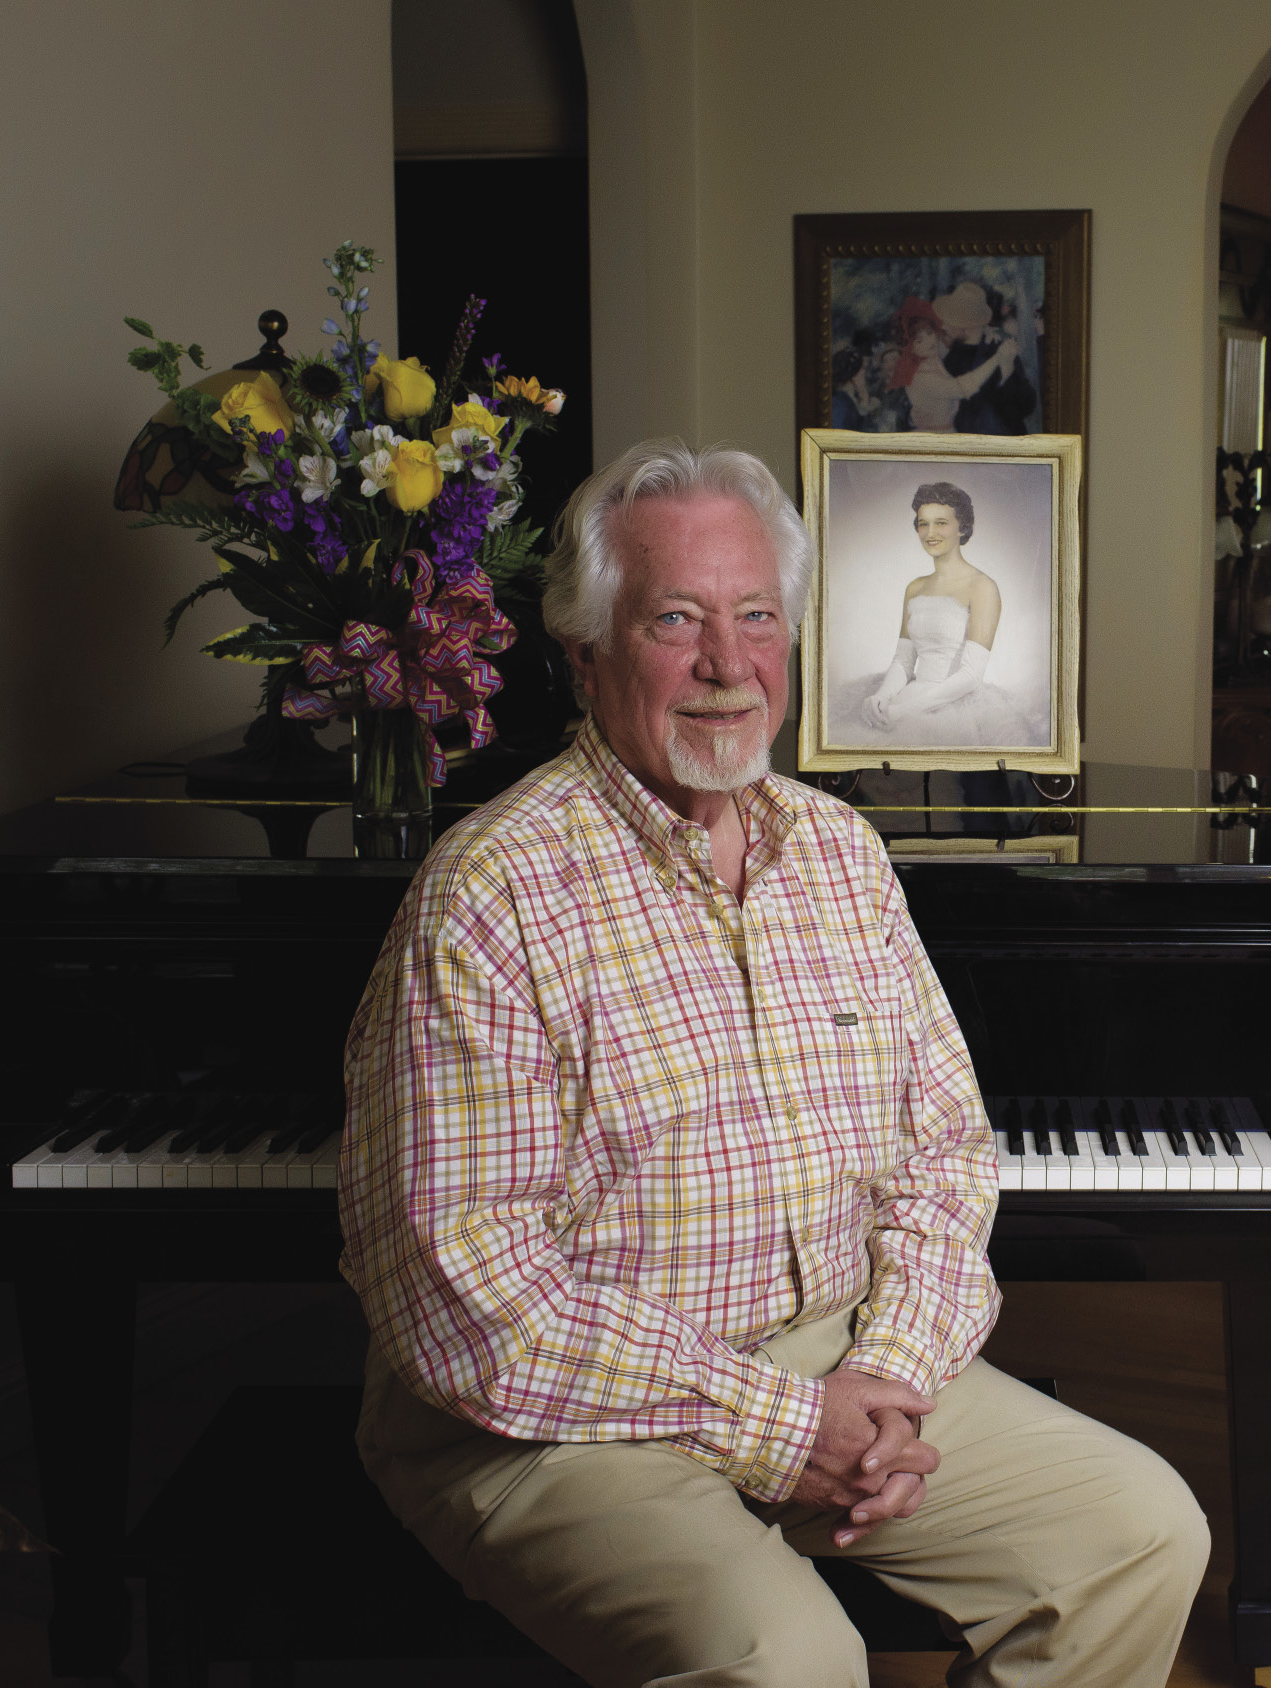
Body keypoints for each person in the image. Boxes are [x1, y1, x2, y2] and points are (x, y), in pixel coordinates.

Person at [340, 439, 1207, 1688]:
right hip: (552, 1418)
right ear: (582, 654)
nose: (724, 664)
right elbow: (468, 1291)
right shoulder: (490, 891)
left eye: (755, 616)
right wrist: (788, 1429)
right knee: (784, 1659)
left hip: (835, 1356)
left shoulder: (838, 851)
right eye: (673, 620)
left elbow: (943, 1156)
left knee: (1139, 1532)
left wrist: (887, 1380)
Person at [849, 480, 1043, 747]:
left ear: (961, 526)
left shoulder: (982, 587)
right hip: (909, 695)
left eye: (941, 522)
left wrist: (905, 712)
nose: (930, 532)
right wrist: (881, 698)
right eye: (922, 523)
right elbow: (904, 661)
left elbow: (972, 674)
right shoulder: (914, 587)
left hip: (955, 703)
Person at [887, 297, 1018, 432]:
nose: (929, 341)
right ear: (911, 348)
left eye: (929, 333)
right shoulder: (920, 376)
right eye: (919, 340)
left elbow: (956, 335)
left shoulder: (932, 358)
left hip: (947, 430)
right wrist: (997, 358)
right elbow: (961, 388)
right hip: (932, 435)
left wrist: (983, 330)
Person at [935, 281, 1038, 436]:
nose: (944, 324)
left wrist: (1007, 372)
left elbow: (1026, 406)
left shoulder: (1000, 349)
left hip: (1002, 444)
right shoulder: (950, 358)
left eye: (951, 318)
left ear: (965, 323)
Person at [828, 344, 879, 431]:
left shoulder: (848, 399)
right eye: (863, 368)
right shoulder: (842, 403)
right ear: (853, 373)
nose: (865, 373)